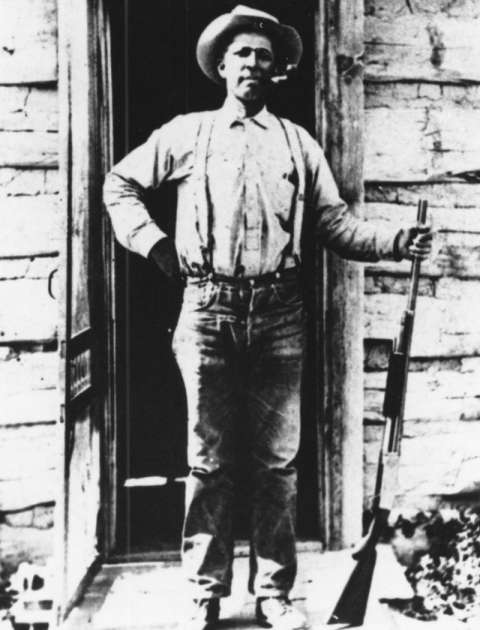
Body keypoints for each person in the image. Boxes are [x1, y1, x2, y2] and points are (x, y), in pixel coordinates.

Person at [103, 5, 432, 629]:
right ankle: (205, 592)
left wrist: (395, 241)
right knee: (210, 461)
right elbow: (118, 186)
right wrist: (156, 245)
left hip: (279, 315)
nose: (252, 64)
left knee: (278, 464)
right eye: (241, 54)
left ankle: (275, 592)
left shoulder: (296, 143)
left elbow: (335, 224)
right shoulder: (186, 134)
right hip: (206, 312)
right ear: (222, 67)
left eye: (263, 55)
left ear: (277, 69)